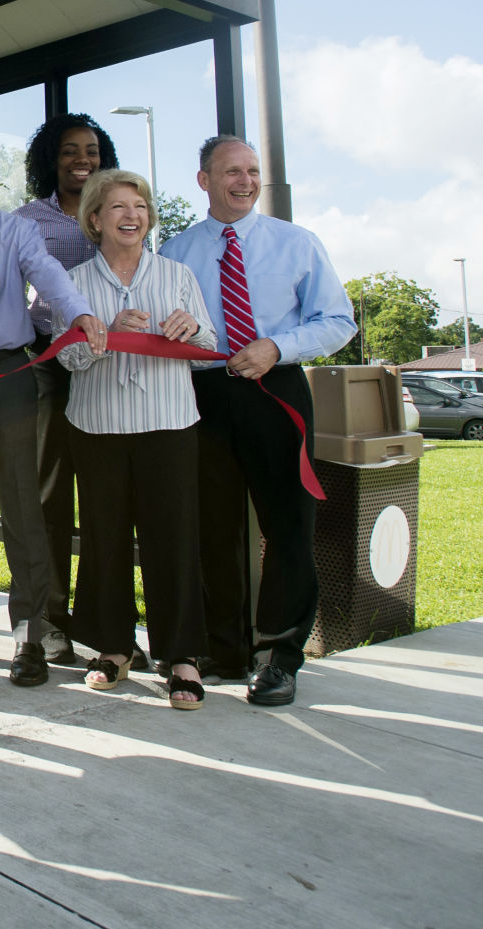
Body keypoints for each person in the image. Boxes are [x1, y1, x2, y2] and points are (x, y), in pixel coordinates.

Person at [162, 135, 355, 706]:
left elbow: (337, 320)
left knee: (289, 526)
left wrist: (277, 346)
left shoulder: (297, 244)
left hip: (277, 390)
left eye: (252, 171)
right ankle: (223, 649)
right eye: (231, 172)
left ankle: (279, 656)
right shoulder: (174, 252)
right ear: (204, 181)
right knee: (211, 528)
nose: (244, 181)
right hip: (203, 397)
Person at [0, 133, 106, 690]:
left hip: (8, 373)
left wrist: (79, 312)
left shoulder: (17, 230)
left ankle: (29, 636)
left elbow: (50, 276)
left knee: (22, 505)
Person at [58, 170, 217, 709]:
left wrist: (191, 330)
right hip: (98, 426)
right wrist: (105, 332)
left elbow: (210, 343)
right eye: (118, 207)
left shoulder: (177, 275)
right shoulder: (73, 282)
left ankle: (182, 657)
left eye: (140, 207)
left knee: (172, 538)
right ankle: (113, 647)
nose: (132, 216)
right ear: (96, 219)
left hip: (169, 424)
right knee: (104, 538)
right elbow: (67, 358)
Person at [14, 113, 120, 666]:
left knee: (106, 496)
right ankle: (50, 619)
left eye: (93, 150)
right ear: (50, 160)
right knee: (50, 494)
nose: (83, 159)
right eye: (70, 151)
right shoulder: (29, 219)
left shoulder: (119, 211)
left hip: (111, 369)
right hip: (49, 365)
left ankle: (106, 625)